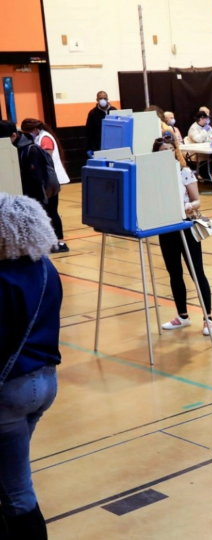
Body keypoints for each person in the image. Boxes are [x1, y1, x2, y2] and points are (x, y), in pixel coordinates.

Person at [0, 193, 62, 540]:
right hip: (44, 382)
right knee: (10, 475)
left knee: (17, 492)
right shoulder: (44, 267)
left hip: (10, 391)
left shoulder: (2, 279)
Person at [150, 135, 212, 336]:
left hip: (186, 227)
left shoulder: (184, 172)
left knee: (197, 272)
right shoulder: (153, 176)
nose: (168, 153)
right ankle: (183, 316)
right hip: (166, 229)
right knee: (174, 273)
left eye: (171, 150)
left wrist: (188, 206)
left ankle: (208, 319)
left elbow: (197, 201)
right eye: (163, 151)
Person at [19, 119, 69, 254]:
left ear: (34, 130)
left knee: (52, 211)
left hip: (51, 180)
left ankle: (60, 241)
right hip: (47, 180)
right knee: (48, 211)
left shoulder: (45, 138)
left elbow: (47, 159)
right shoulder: (40, 138)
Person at [84, 90, 117, 155]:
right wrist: (89, 148)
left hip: (113, 144)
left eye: (105, 98)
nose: (103, 100)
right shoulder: (93, 113)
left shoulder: (114, 110)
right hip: (99, 145)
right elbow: (89, 131)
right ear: (97, 99)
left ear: (107, 99)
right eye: (100, 98)